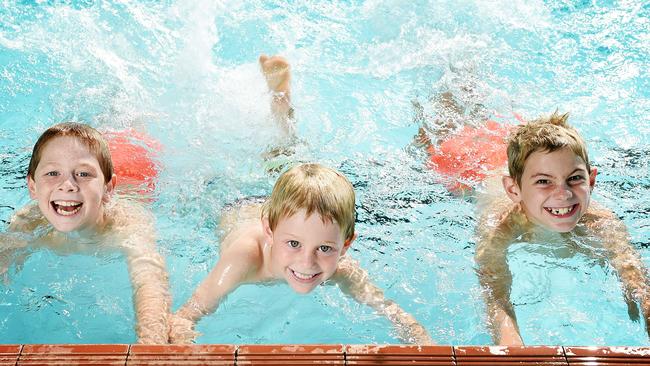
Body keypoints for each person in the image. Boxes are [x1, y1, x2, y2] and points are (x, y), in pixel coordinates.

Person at [416, 94, 650, 344]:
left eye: (575, 178)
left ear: (591, 181)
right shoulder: (500, 225)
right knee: (438, 127)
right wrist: (513, 349)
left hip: (517, 157)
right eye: (544, 182)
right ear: (513, 190)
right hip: (467, 164)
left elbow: (634, 276)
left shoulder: (600, 221)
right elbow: (495, 295)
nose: (564, 193)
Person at [168, 163, 433, 344]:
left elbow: (393, 313)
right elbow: (187, 314)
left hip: (283, 211)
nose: (307, 263)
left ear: (346, 246)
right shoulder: (246, 257)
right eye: (293, 244)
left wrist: (417, 336)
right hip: (235, 203)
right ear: (270, 232)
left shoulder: (340, 267)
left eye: (325, 248)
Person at [0, 122, 171, 344]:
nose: (67, 185)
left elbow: (149, 283)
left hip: (138, 169)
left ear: (108, 188)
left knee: (131, 129)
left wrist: (151, 342)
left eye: (82, 174)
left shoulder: (127, 224)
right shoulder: (29, 222)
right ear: (32, 186)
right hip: (100, 165)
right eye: (53, 173)